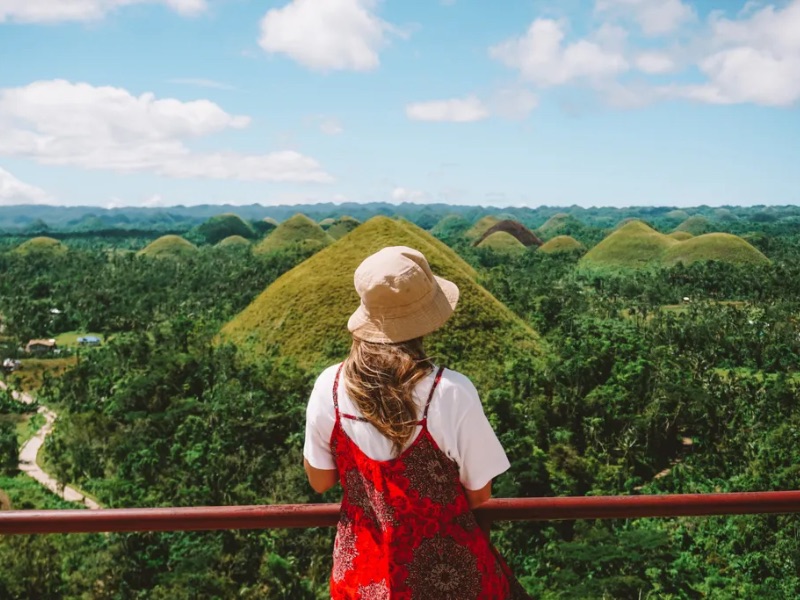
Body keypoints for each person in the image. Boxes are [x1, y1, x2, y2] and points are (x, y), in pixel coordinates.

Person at [303, 245, 531, 599]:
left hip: (362, 580)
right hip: (450, 581)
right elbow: (480, 492)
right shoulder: (451, 391)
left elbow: (320, 481)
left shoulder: (329, 388)